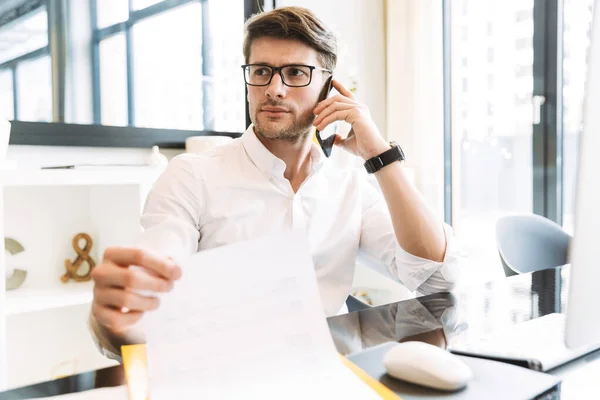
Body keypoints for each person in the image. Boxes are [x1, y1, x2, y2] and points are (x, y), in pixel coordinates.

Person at [89, 6, 461, 360]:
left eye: (296, 73)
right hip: (225, 377)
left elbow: (437, 278)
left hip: (327, 375)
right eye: (261, 71)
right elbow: (152, 285)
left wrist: (379, 155)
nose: (274, 89)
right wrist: (115, 317)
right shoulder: (192, 175)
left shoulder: (347, 185)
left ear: (329, 88)